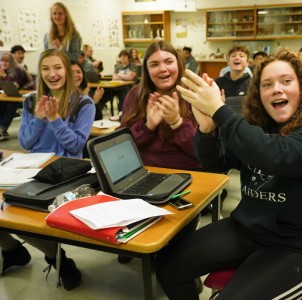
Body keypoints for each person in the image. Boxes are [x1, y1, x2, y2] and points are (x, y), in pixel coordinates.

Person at [156, 48, 302, 299]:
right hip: (247, 229)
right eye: (267, 85)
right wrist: (206, 129)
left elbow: (275, 154)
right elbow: (217, 164)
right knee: (167, 264)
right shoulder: (257, 128)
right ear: (259, 95)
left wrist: (219, 109)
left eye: (286, 81)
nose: (276, 89)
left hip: (297, 247)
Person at [2, 49, 95, 290]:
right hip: (29, 168)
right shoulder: (31, 100)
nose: (52, 74)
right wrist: (39, 118)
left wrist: (55, 119)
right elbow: (25, 143)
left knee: (22, 215)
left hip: (66, 172)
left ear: (67, 70)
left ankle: (60, 261)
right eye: (46, 69)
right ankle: (12, 251)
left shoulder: (84, 103)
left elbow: (75, 145)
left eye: (57, 68)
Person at [118, 41, 203, 264]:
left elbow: (204, 154)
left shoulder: (195, 93)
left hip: (187, 180)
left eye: (168, 61)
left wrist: (176, 122)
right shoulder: (136, 95)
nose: (163, 69)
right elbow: (120, 148)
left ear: (179, 64)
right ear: (146, 70)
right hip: (141, 177)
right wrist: (147, 125)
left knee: (168, 257)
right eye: (154, 64)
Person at [0, 52, 34, 140]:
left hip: (29, 97)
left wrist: (3, 76)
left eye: (7, 61)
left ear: (11, 62)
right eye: (1, 61)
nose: (3, 63)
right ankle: (2, 130)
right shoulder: (4, 70)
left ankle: (2, 129)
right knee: (2, 103)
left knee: (11, 104)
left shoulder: (17, 70)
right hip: (15, 96)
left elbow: (14, 86)